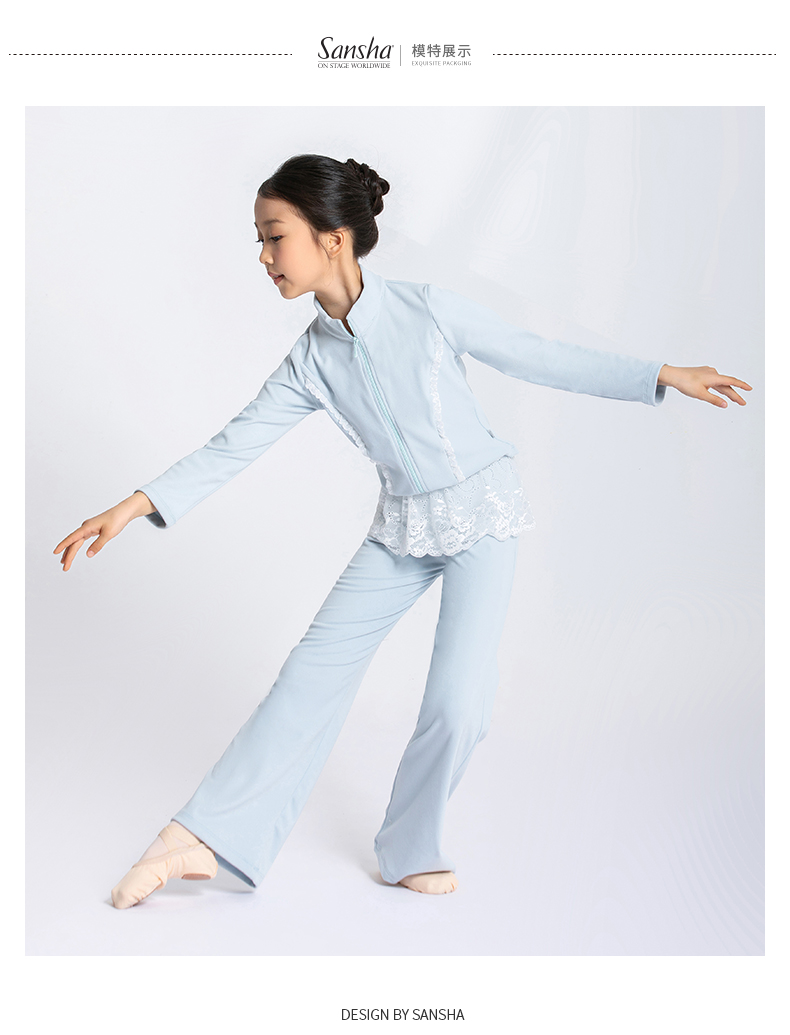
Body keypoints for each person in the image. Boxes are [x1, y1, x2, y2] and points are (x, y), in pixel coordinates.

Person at [54, 154, 752, 907]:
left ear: (333, 237)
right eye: (260, 239)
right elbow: (235, 444)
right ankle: (198, 838)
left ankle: (409, 847)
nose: (263, 256)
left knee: (459, 707)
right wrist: (136, 503)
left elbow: (537, 355)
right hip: (402, 531)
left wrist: (658, 374)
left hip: (483, 516)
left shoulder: (427, 310)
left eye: (274, 236)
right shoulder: (309, 361)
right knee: (307, 675)